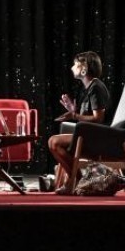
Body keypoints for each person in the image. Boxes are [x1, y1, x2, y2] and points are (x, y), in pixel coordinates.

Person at [47, 51, 111, 190]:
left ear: (84, 69)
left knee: (54, 142)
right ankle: (76, 178)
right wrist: (73, 110)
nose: (71, 67)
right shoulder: (89, 88)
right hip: (88, 135)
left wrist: (74, 116)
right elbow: (87, 117)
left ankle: (76, 179)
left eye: (75, 64)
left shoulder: (96, 88)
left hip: (96, 137)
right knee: (53, 141)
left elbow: (98, 118)